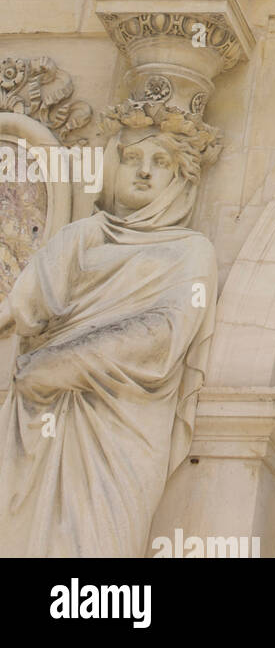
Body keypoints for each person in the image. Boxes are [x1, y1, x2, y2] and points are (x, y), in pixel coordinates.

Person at [0, 100, 219, 557]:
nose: (144, 172)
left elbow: (164, 335)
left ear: (180, 177)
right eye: (132, 158)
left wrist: (61, 362)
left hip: (124, 422)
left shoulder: (191, 252)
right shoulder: (80, 236)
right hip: (41, 410)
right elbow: (20, 309)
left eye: (160, 162)